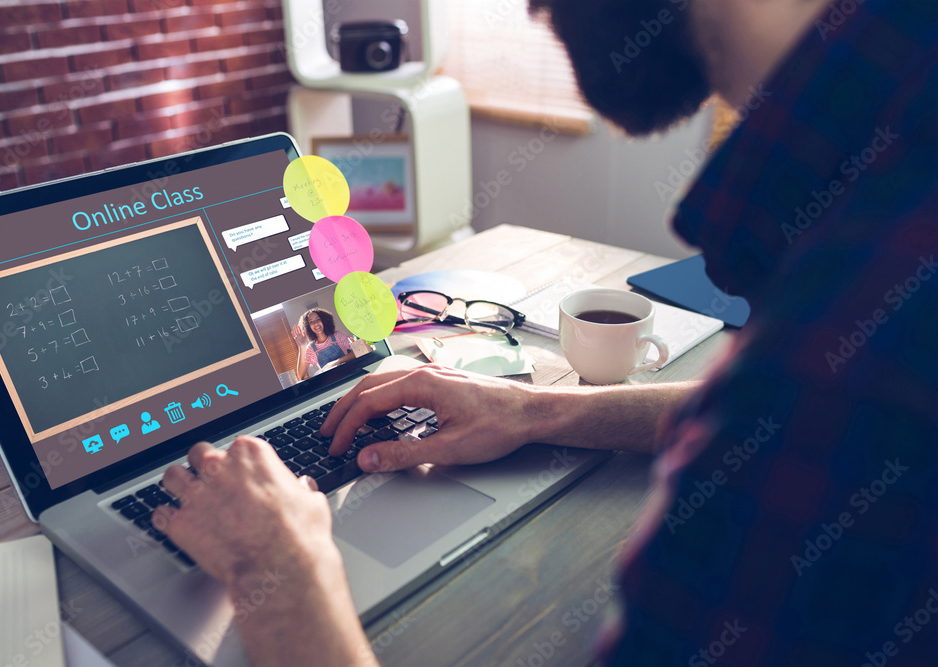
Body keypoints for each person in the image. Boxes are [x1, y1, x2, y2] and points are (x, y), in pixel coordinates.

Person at [153, 0, 937, 664]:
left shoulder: (846, 343)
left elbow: (802, 411)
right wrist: (539, 411)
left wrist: (278, 577)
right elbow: (771, 426)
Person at [295, 307, 356, 381]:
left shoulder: (338, 335)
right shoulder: (310, 348)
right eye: (311, 322)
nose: (316, 323)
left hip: (351, 375)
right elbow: (301, 376)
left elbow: (356, 352)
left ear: (324, 320)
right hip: (331, 383)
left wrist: (336, 362)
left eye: (318, 319)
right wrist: (302, 346)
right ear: (308, 327)